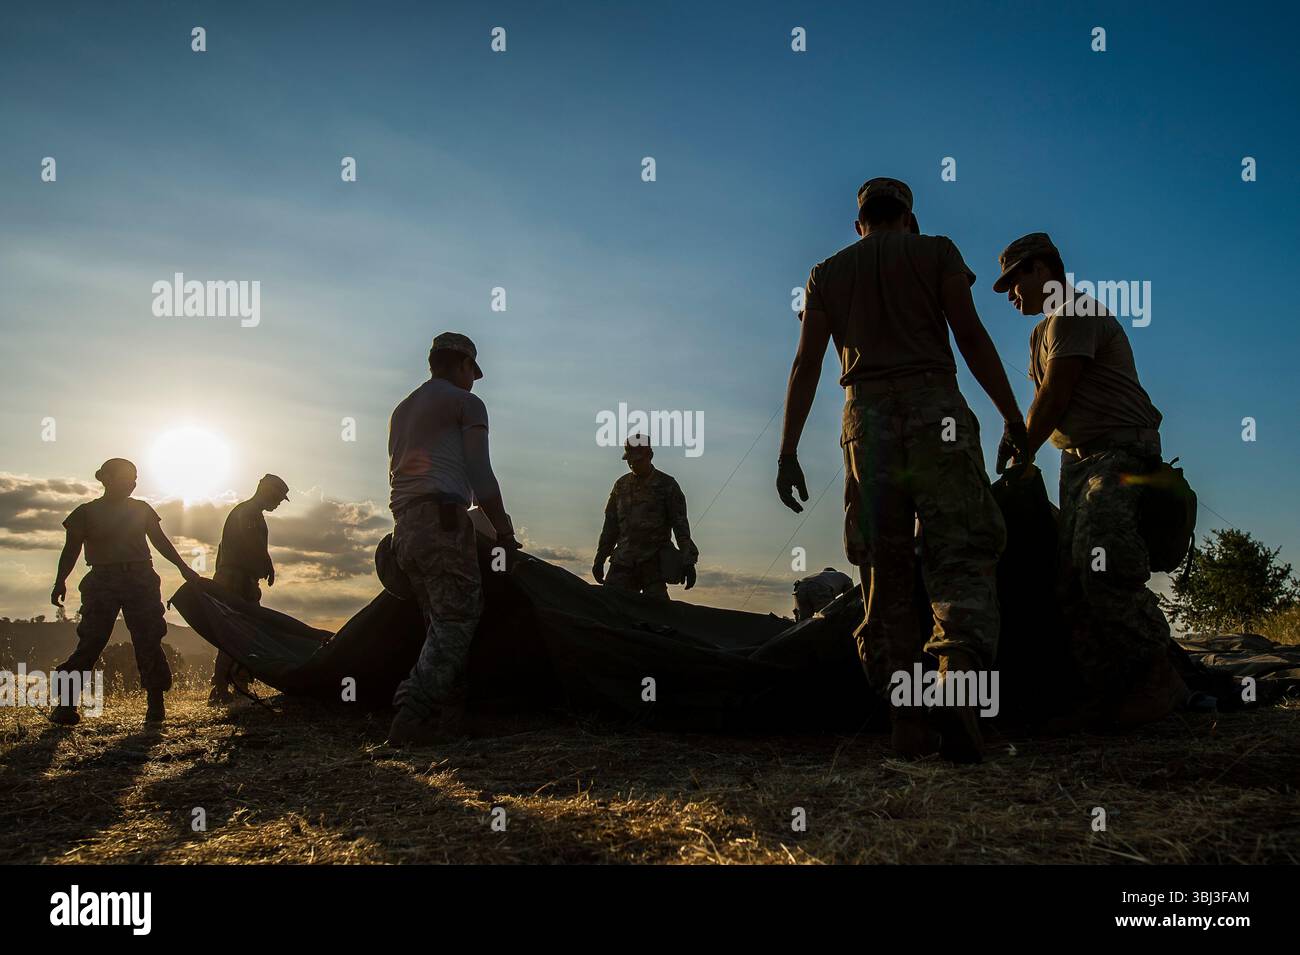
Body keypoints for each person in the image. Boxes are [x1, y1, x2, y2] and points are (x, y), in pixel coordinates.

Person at [776, 177, 1027, 762]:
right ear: (908, 218)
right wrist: (1013, 416)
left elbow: (806, 363)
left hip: (866, 421)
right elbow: (968, 334)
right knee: (960, 553)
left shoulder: (827, 273)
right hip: (937, 408)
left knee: (882, 571)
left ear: (859, 223)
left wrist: (787, 451)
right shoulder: (935, 251)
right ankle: (956, 681)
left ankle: (907, 724)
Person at [993, 231, 1188, 726]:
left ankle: (1158, 678)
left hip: (1119, 454)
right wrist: (1018, 436)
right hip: (1077, 462)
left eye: (1015, 283)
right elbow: (1048, 404)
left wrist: (1022, 447)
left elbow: (1057, 393)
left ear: (1041, 270)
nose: (1013, 296)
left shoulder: (1075, 311)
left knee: (1105, 566)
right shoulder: (1041, 334)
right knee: (1071, 583)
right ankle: (1108, 691)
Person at [385, 332, 519, 746]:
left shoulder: (402, 409)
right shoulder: (466, 403)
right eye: (472, 372)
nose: (474, 381)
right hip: (442, 522)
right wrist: (504, 529)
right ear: (462, 365)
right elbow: (480, 472)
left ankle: (447, 723)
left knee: (438, 625)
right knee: (458, 620)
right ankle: (411, 715)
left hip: (404, 528)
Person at [48, 458, 201, 726]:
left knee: (149, 639)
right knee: (91, 642)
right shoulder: (84, 513)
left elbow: (160, 541)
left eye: (134, 477)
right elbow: (71, 550)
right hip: (101, 581)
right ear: (106, 478)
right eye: (125, 477)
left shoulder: (142, 510)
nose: (132, 482)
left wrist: (183, 567)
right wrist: (60, 580)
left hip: (140, 578)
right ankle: (66, 706)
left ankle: (155, 707)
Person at [207, 473, 290, 704]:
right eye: (278, 497)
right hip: (236, 581)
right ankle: (221, 688)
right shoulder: (248, 513)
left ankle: (235, 686)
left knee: (241, 634)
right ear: (266, 490)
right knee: (236, 634)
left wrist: (266, 565)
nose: (278, 503)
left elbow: (234, 547)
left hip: (239, 579)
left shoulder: (249, 513)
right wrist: (263, 564)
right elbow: (248, 546)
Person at [592, 434, 698, 599]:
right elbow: (610, 527)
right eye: (629, 459)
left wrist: (688, 562)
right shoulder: (621, 486)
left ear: (649, 455)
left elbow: (681, 527)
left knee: (659, 616)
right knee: (609, 606)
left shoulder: (667, 486)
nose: (632, 463)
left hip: (653, 564)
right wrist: (599, 559)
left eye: (637, 459)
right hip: (623, 563)